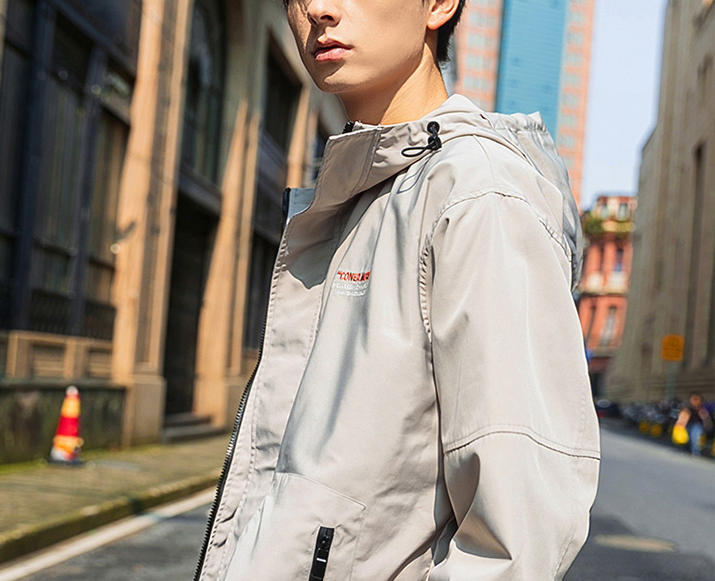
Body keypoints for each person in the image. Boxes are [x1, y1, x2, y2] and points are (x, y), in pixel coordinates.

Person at [194, 0, 600, 579]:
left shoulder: (477, 195)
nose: (317, 10)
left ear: (438, 6)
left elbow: (517, 537)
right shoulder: (361, 192)